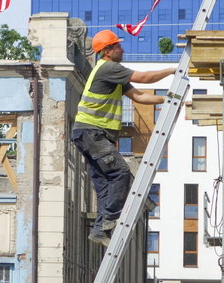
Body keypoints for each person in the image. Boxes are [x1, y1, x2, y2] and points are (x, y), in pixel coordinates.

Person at [71, 30, 176, 247]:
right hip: (93, 133)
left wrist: (167, 99)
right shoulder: (110, 68)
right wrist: (173, 70)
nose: (122, 49)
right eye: (118, 46)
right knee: (120, 172)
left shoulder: (113, 74)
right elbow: (146, 78)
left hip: (88, 134)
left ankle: (100, 230)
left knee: (105, 185)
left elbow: (139, 96)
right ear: (107, 51)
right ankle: (110, 218)